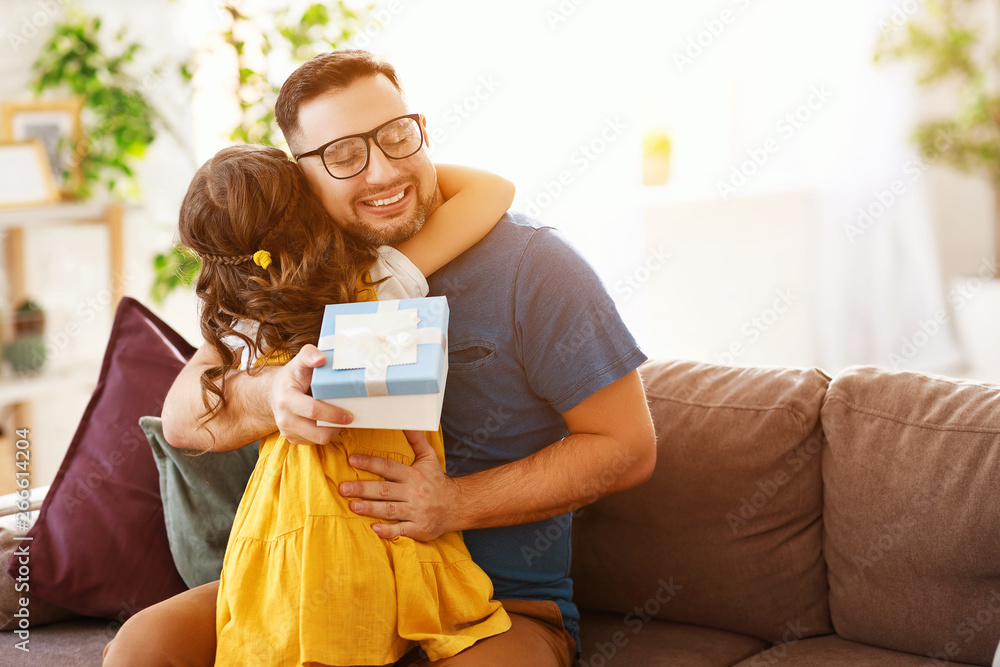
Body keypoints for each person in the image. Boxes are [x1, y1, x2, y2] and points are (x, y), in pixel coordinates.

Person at [111, 50, 657, 667]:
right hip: (311, 581)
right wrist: (273, 397)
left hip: (496, 607)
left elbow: (629, 447)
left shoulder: (536, 268)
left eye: (398, 137)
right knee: (142, 647)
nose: (382, 172)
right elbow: (185, 416)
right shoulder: (295, 271)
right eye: (344, 155)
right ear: (302, 177)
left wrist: (455, 503)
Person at [179, 142, 515, 666]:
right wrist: (357, 180)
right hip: (382, 512)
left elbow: (186, 419)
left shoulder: (248, 325)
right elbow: (492, 189)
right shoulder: (382, 279)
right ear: (310, 208)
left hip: (288, 535)